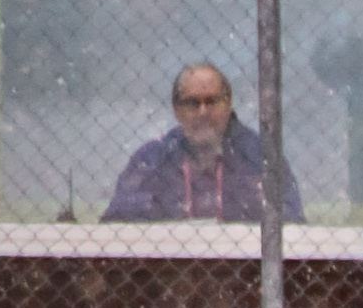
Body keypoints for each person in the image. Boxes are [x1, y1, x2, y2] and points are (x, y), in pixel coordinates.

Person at [100, 63, 303, 224]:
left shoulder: (260, 158)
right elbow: (116, 226)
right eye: (192, 103)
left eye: (212, 101)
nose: (203, 112)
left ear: (228, 105)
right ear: (177, 110)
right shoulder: (152, 161)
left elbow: (292, 225)